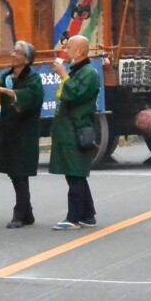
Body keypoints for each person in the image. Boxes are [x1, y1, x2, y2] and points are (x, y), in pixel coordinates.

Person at [49, 34, 100, 230]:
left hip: (76, 129)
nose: (66, 51)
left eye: (69, 48)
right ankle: (88, 215)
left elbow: (75, 95)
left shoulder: (89, 73)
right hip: (69, 128)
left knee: (75, 174)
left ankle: (73, 217)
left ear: (79, 52)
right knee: (75, 174)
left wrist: (63, 75)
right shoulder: (80, 72)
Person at [0, 40, 44, 229]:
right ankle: (28, 213)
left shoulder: (34, 79)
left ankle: (19, 213)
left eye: (17, 52)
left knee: (20, 172)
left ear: (26, 59)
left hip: (25, 132)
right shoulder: (6, 76)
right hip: (8, 130)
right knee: (14, 173)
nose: (12, 54)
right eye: (13, 51)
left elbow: (31, 98)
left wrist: (8, 92)